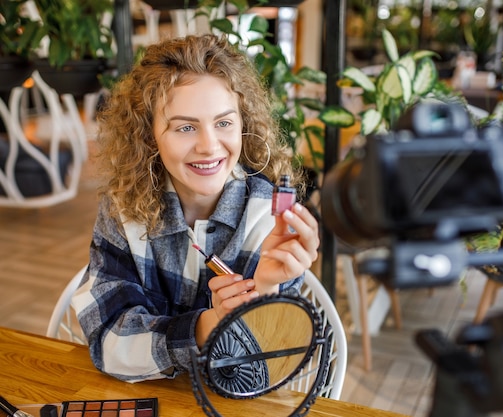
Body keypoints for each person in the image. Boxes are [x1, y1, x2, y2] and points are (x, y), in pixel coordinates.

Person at [71, 34, 320, 383]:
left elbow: (263, 375)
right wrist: (209, 325)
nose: (209, 146)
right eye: (185, 127)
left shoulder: (271, 219)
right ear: (148, 135)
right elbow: (108, 340)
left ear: (243, 124)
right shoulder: (123, 209)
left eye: (223, 123)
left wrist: (264, 291)